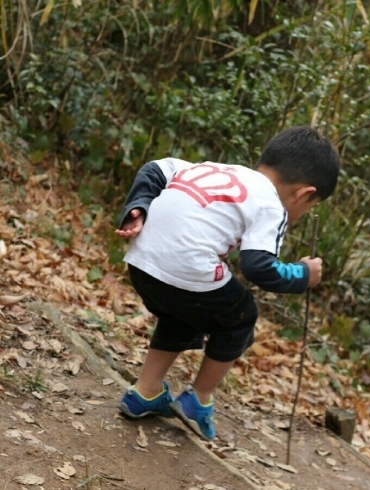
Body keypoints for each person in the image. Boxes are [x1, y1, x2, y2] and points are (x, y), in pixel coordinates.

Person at [115, 126, 340, 441]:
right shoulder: (271, 205)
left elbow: (155, 169)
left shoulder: (215, 169)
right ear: (303, 194)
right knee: (241, 315)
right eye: (309, 207)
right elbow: (258, 267)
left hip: (140, 262)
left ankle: (145, 391)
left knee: (185, 309)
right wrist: (303, 274)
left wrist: (137, 207)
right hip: (185, 268)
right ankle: (199, 400)